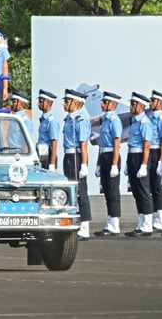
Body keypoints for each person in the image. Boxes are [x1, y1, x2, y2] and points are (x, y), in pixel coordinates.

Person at [62, 89, 92, 240]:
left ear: (76, 103)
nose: (64, 104)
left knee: (81, 191)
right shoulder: (69, 119)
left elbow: (83, 144)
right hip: (68, 155)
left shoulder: (80, 120)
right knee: (71, 191)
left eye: (67, 101)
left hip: (76, 157)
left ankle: (85, 228)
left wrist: (84, 164)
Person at [124, 92, 154, 237]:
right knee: (136, 192)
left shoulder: (145, 122)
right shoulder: (134, 121)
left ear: (141, 106)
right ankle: (141, 223)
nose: (131, 106)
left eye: (134, 104)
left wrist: (143, 164)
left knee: (143, 191)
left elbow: (146, 145)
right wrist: (127, 162)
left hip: (140, 156)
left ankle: (147, 225)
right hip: (132, 156)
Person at [95, 91, 123, 237]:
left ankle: (114, 223)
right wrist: (98, 164)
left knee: (112, 191)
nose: (102, 104)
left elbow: (116, 142)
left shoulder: (114, 120)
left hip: (112, 155)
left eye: (105, 102)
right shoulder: (104, 120)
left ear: (113, 105)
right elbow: (101, 144)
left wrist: (114, 164)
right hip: (105, 155)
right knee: (106, 190)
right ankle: (109, 221)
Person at [148, 90, 162, 231]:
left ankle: (161, 220)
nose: (151, 103)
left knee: (158, 187)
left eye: (153, 101)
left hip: (157, 152)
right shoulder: (150, 117)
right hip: (149, 151)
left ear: (160, 103)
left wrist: (161, 161)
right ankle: (155, 217)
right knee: (151, 186)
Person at [36, 89, 60, 170]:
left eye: (41, 101)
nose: (38, 104)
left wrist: (52, 164)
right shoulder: (44, 119)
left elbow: (54, 144)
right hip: (42, 154)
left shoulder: (51, 121)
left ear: (48, 103)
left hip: (48, 156)